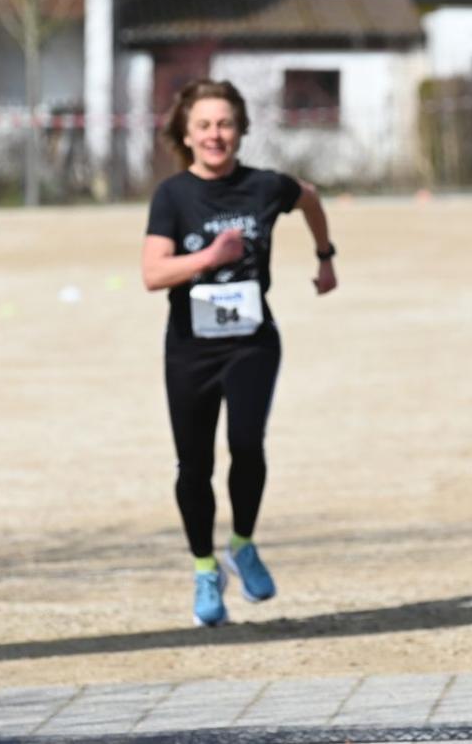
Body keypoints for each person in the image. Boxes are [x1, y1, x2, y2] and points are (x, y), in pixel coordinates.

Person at [141, 78, 337, 627]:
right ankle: (206, 568)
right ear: (186, 133)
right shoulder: (173, 196)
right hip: (191, 350)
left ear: (241, 129)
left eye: (225, 124)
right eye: (203, 125)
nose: (215, 134)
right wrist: (209, 257)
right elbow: (153, 274)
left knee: (247, 445)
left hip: (252, 342)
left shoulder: (265, 186)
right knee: (194, 464)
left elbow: (310, 197)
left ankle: (243, 545)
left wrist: (325, 256)